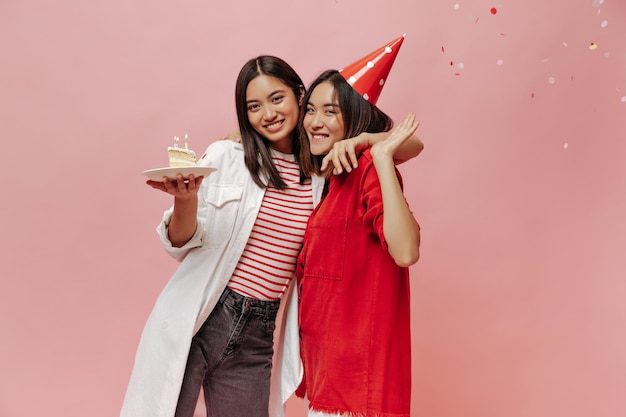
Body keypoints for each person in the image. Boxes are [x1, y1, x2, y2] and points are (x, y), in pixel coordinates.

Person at [120, 54, 423, 417]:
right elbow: (182, 243)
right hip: (205, 314)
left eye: (277, 99)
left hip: (259, 331)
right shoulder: (227, 156)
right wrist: (185, 200)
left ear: (299, 96)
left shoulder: (323, 170)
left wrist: (366, 141)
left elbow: (412, 145)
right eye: (253, 106)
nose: (268, 114)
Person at [294, 69, 421, 417]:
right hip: (326, 386)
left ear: (354, 119)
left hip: (358, 394)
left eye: (331, 111)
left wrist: (377, 152)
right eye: (310, 110)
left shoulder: (368, 169)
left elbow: (407, 250)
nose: (315, 121)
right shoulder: (328, 182)